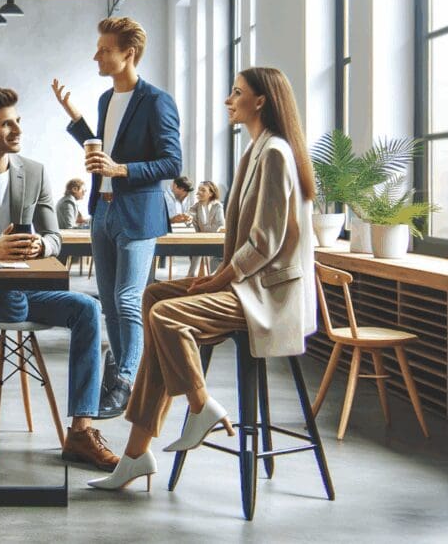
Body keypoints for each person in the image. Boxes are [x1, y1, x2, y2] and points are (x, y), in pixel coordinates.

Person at [88, 67, 318, 491]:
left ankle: (200, 404)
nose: (229, 100)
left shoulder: (274, 154)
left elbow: (264, 243)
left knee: (166, 316)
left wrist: (217, 280)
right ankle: (137, 455)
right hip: (248, 285)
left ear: (261, 101)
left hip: (267, 296)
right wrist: (219, 278)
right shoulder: (256, 151)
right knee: (154, 295)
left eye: (237, 93)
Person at [0, 88, 121, 469]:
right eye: (7, 123)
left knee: (86, 309)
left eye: (18, 121)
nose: (17, 129)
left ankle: (80, 431)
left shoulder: (34, 172)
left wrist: (38, 248)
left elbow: (55, 238)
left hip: (24, 289)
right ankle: (10, 285)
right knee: (6, 294)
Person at [51, 17, 182, 417]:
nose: (97, 55)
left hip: (139, 213)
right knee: (108, 302)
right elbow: (103, 149)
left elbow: (171, 162)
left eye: (105, 49)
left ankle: (125, 378)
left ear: (128, 54)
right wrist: (75, 118)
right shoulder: (107, 100)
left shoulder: (157, 101)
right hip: (102, 210)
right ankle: (128, 377)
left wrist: (120, 170)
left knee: (128, 299)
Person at [185, 180, 226, 277]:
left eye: (203, 190)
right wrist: (188, 219)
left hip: (216, 241)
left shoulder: (217, 206)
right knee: (196, 247)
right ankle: (192, 276)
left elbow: (219, 226)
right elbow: (189, 219)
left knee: (200, 249)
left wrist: (203, 229)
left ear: (211, 193)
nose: (198, 192)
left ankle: (203, 277)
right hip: (201, 241)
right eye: (199, 190)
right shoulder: (196, 206)